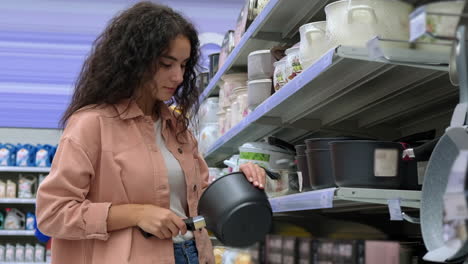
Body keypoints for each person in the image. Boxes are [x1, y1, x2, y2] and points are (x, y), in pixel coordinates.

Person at [35, 2, 266, 264]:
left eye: (183, 65)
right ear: (134, 61)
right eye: (167, 64)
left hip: (192, 254)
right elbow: (52, 213)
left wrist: (238, 184)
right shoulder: (91, 124)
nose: (178, 76)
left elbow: (197, 198)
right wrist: (135, 214)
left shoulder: (177, 128)